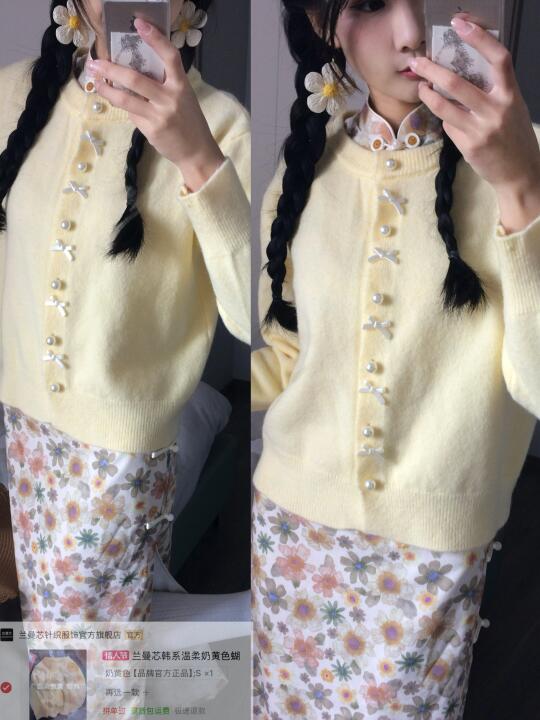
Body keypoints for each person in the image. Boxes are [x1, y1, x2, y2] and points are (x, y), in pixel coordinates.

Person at [251, 0, 540, 717]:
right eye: (373, 4)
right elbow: (289, 349)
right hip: (290, 530)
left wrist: (521, 188)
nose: (410, 32)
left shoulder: (527, 162)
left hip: (431, 553)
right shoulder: (303, 170)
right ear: (324, 22)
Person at [0, 0, 250, 622]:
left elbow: (256, 318)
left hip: (120, 457)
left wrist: (196, 157)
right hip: (24, 430)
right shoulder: (13, 93)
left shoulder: (223, 125)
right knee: (50, 631)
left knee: (98, 652)